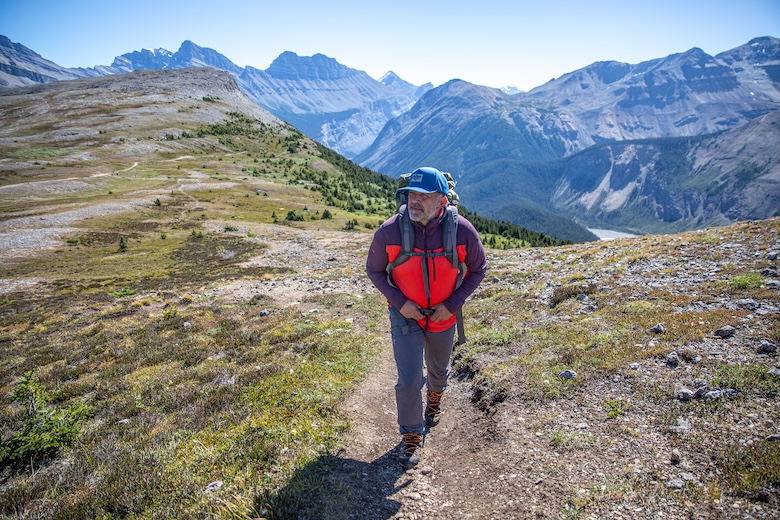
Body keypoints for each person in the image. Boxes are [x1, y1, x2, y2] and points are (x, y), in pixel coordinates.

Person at [365, 166, 487, 469]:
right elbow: (374, 270)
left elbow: (478, 269)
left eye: (424, 196)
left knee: (438, 370)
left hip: (444, 317)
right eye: (411, 195)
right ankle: (411, 436)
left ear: (442, 201)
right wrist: (400, 302)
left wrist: (453, 303)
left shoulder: (462, 231)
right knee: (408, 380)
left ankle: (435, 399)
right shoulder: (390, 231)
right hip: (405, 316)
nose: (415, 201)